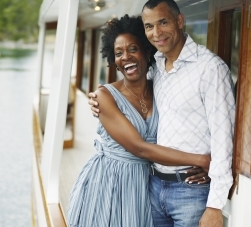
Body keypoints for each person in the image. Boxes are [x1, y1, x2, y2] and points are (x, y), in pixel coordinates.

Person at [89, 0, 235, 227]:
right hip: (153, 187)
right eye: (149, 26)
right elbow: (132, 86)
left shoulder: (210, 69)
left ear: (179, 20)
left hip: (191, 191)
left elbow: (224, 140)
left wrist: (215, 205)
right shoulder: (157, 68)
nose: (156, 32)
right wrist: (101, 95)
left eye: (163, 22)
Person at [67, 14, 211, 227]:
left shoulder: (161, 89)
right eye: (118, 53)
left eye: (132, 49)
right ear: (113, 60)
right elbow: (140, 148)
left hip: (143, 185)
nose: (125, 57)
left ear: (146, 51)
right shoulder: (104, 96)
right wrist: (202, 160)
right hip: (108, 183)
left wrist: (202, 163)